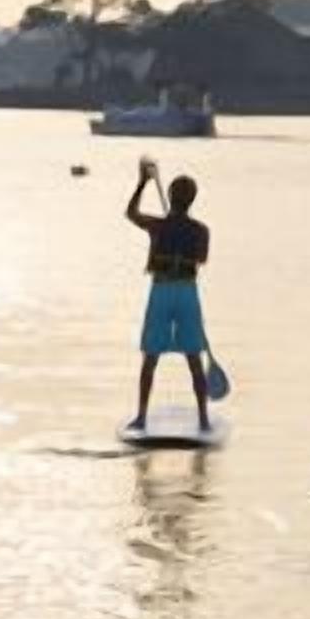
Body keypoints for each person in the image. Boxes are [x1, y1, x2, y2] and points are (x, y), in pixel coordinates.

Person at [124, 162, 213, 432]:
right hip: (186, 292)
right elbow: (202, 258)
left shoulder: (158, 226)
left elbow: (131, 213)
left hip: (161, 291)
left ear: (171, 197)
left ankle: (141, 417)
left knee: (150, 357)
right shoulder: (201, 230)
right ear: (191, 200)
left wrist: (143, 182)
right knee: (194, 357)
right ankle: (203, 420)